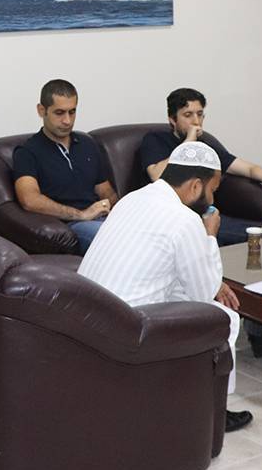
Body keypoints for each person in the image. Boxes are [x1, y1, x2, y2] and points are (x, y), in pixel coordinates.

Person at [78, 141, 252, 433]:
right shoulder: (185, 219)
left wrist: (212, 275)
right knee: (225, 317)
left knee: (183, 292)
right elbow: (202, 294)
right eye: (213, 190)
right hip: (128, 328)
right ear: (195, 186)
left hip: (88, 316)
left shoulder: (133, 198)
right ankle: (214, 412)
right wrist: (209, 236)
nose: (213, 199)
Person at [140, 87, 262, 246]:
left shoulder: (205, 146)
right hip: (171, 217)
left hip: (204, 215)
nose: (196, 121)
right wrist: (189, 142)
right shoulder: (155, 139)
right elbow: (157, 176)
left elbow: (248, 168)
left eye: (199, 114)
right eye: (188, 115)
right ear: (172, 119)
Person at [12, 79, 118, 254]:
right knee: (115, 240)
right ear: (42, 110)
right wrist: (81, 215)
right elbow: (29, 200)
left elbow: (105, 191)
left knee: (149, 233)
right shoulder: (27, 152)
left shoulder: (87, 144)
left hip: (102, 218)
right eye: (59, 113)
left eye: (72, 112)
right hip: (71, 225)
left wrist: (116, 209)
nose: (67, 121)